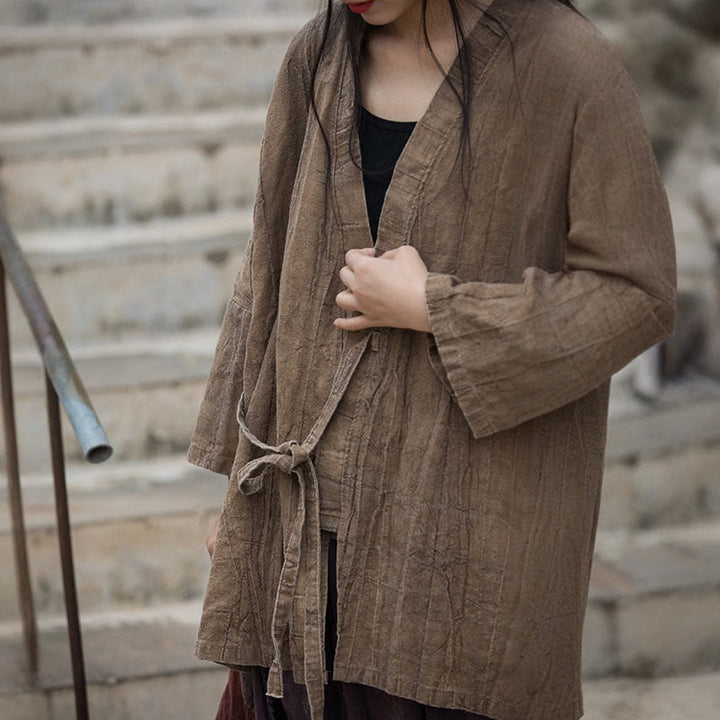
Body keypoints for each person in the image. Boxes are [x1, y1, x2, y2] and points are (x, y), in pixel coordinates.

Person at [189, 0, 677, 718]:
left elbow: (636, 293)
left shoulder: (567, 66)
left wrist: (436, 307)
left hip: (467, 554)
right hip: (304, 537)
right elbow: (270, 272)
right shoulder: (316, 57)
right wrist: (239, 492)